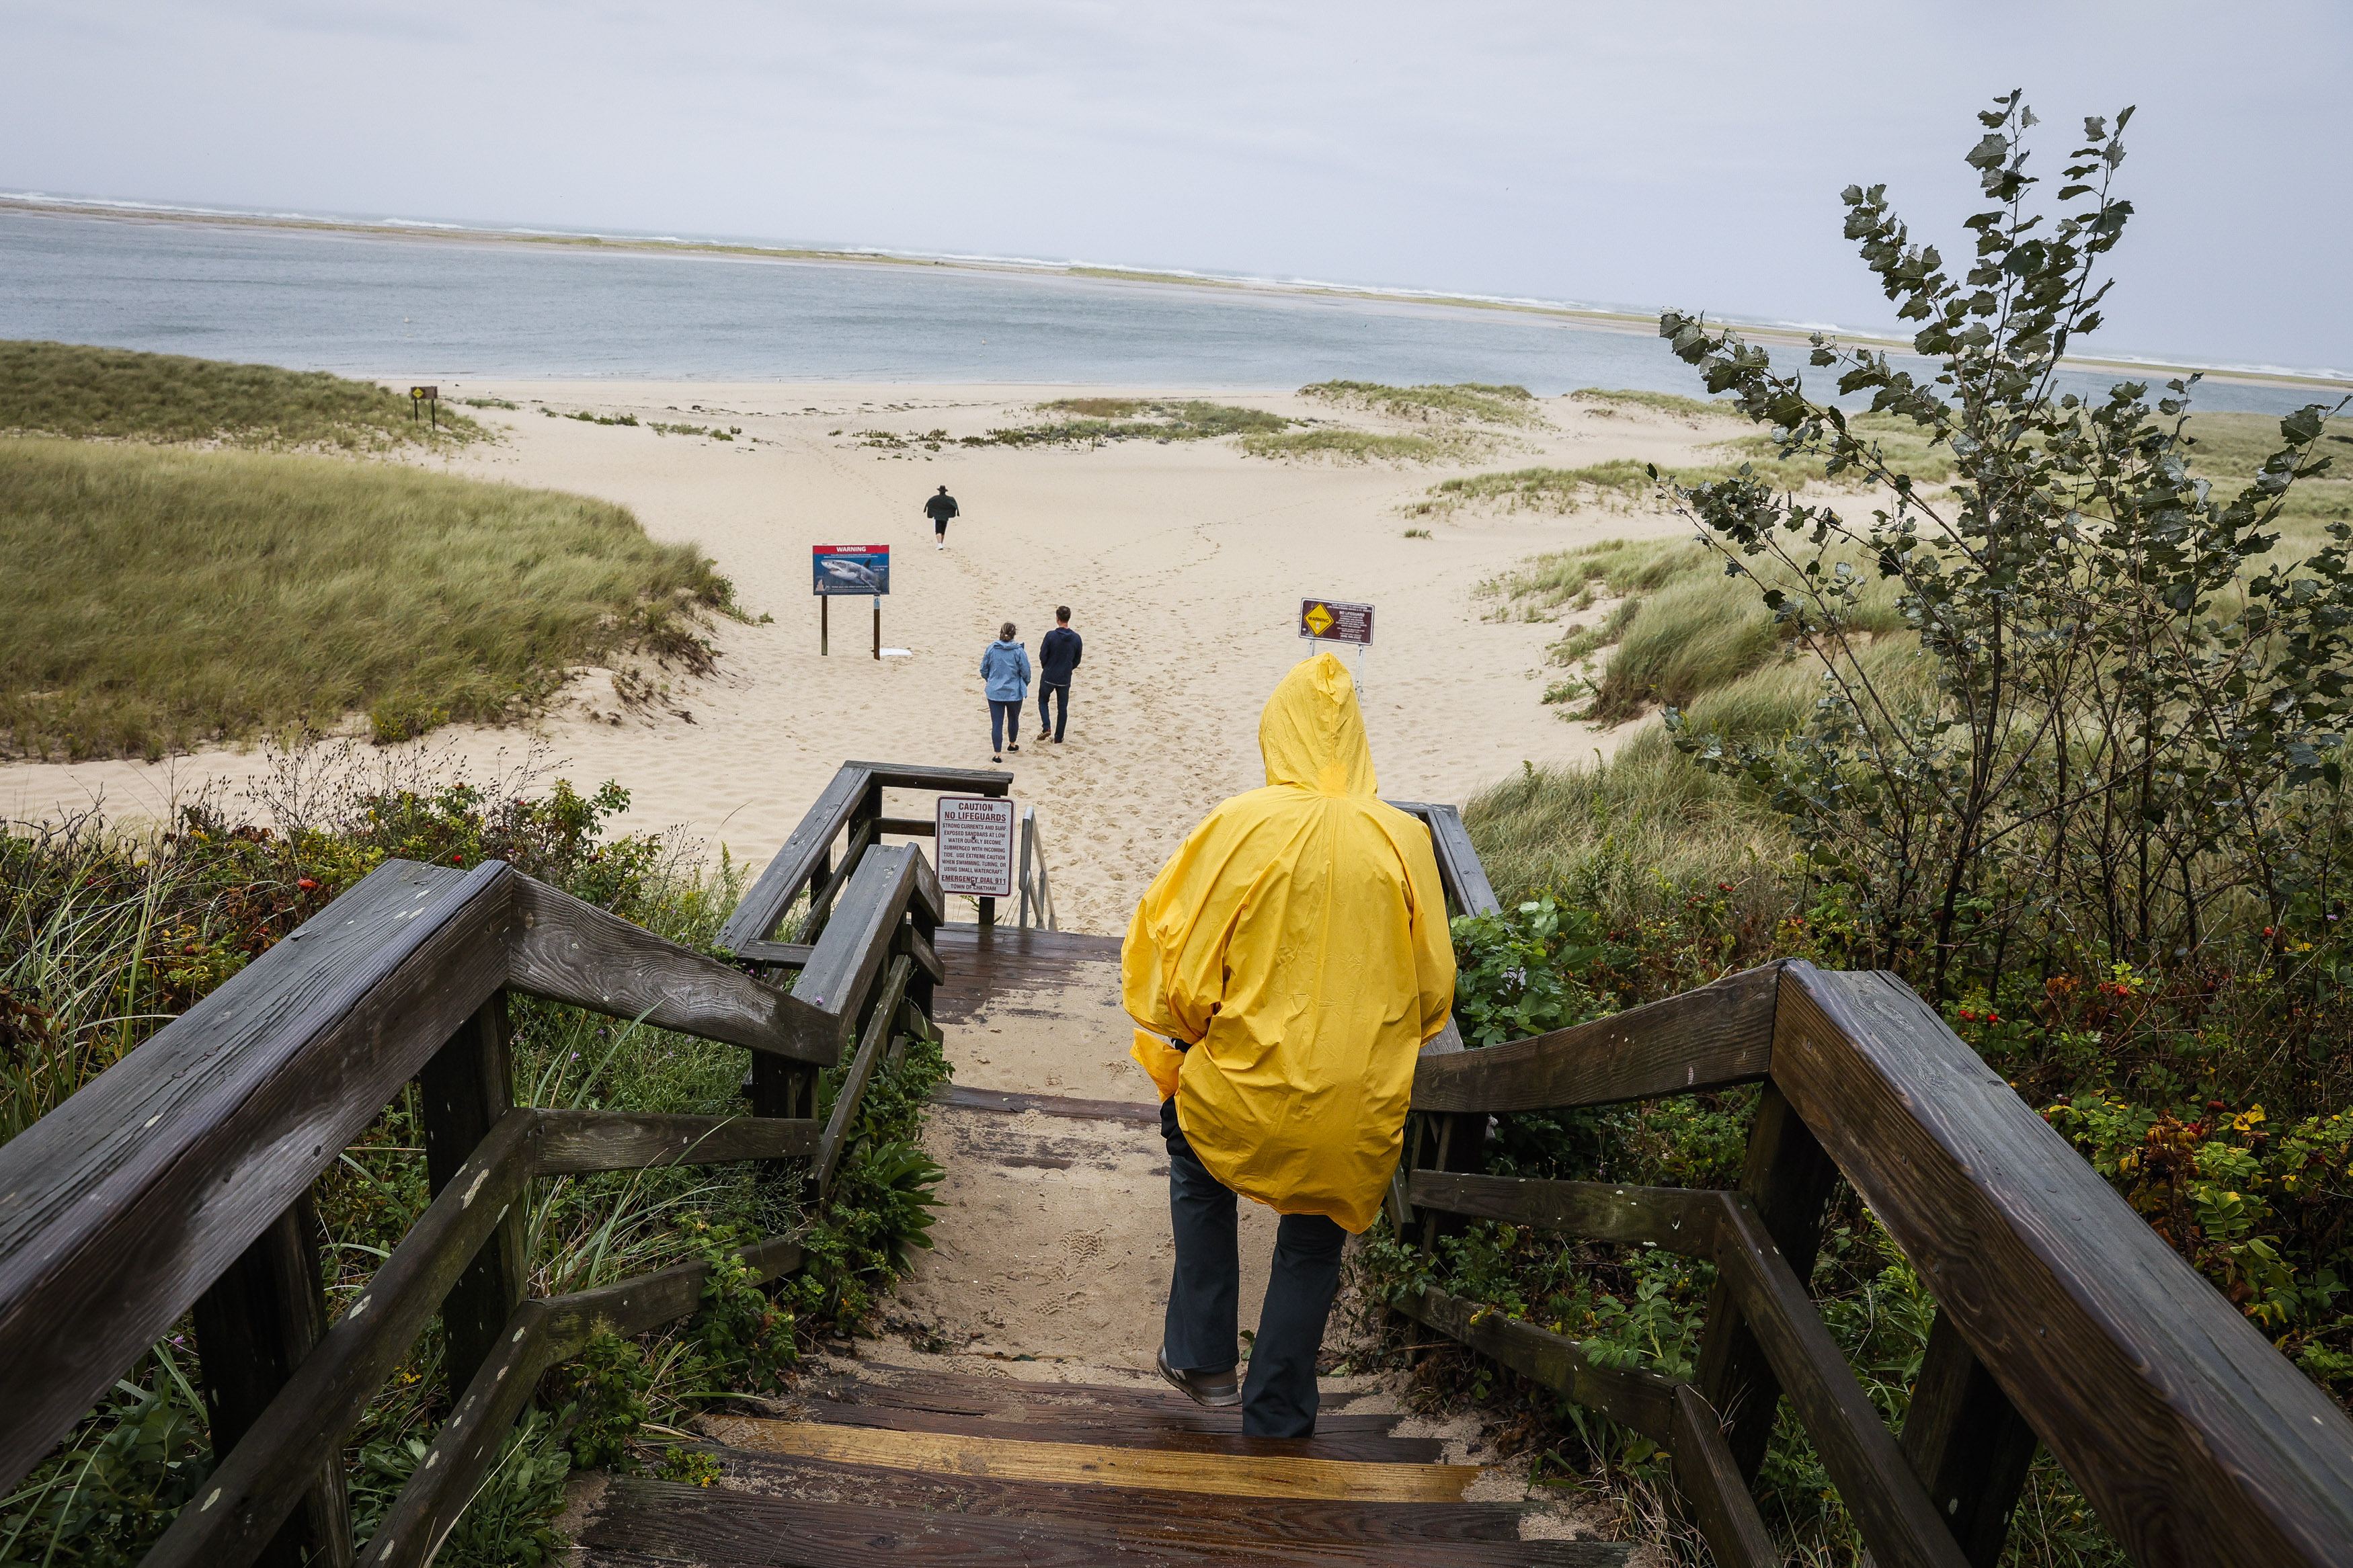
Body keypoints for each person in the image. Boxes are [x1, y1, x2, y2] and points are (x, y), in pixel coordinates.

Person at [1121, 651, 1455, 1437]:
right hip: (1355, 1099)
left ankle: (1203, 1360)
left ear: (1279, 732)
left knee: (1196, 1164)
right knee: (1313, 1233)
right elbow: (1431, 991)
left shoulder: (1241, 824)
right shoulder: (1403, 839)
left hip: (1244, 1083)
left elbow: (1180, 969)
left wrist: (1192, 1034)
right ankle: (1276, 1410)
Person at [980, 621, 1031, 761]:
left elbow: (983, 669)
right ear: (1014, 634)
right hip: (1014, 692)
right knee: (1013, 718)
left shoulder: (992, 649)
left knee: (997, 723)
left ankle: (997, 754)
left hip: (995, 692)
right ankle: (1012, 744)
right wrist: (1024, 683)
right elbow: (1026, 671)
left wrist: (991, 680)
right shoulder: (1019, 651)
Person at [1037, 606, 1082, 744]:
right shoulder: (1076, 638)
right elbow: (1077, 660)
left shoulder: (1051, 636)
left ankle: (1047, 726)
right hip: (1065, 677)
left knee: (1043, 701)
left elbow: (1043, 655)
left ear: (1057, 618)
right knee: (1062, 707)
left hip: (1049, 675)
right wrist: (1069, 668)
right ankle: (1058, 737)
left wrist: (1047, 666)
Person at [925, 485, 959, 550]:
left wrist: (931, 512)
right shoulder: (949, 499)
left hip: (938, 517)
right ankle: (941, 543)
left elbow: (929, 503)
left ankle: (939, 544)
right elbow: (954, 505)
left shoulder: (935, 498)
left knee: (938, 531)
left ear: (940, 491)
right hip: (945, 517)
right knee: (943, 531)